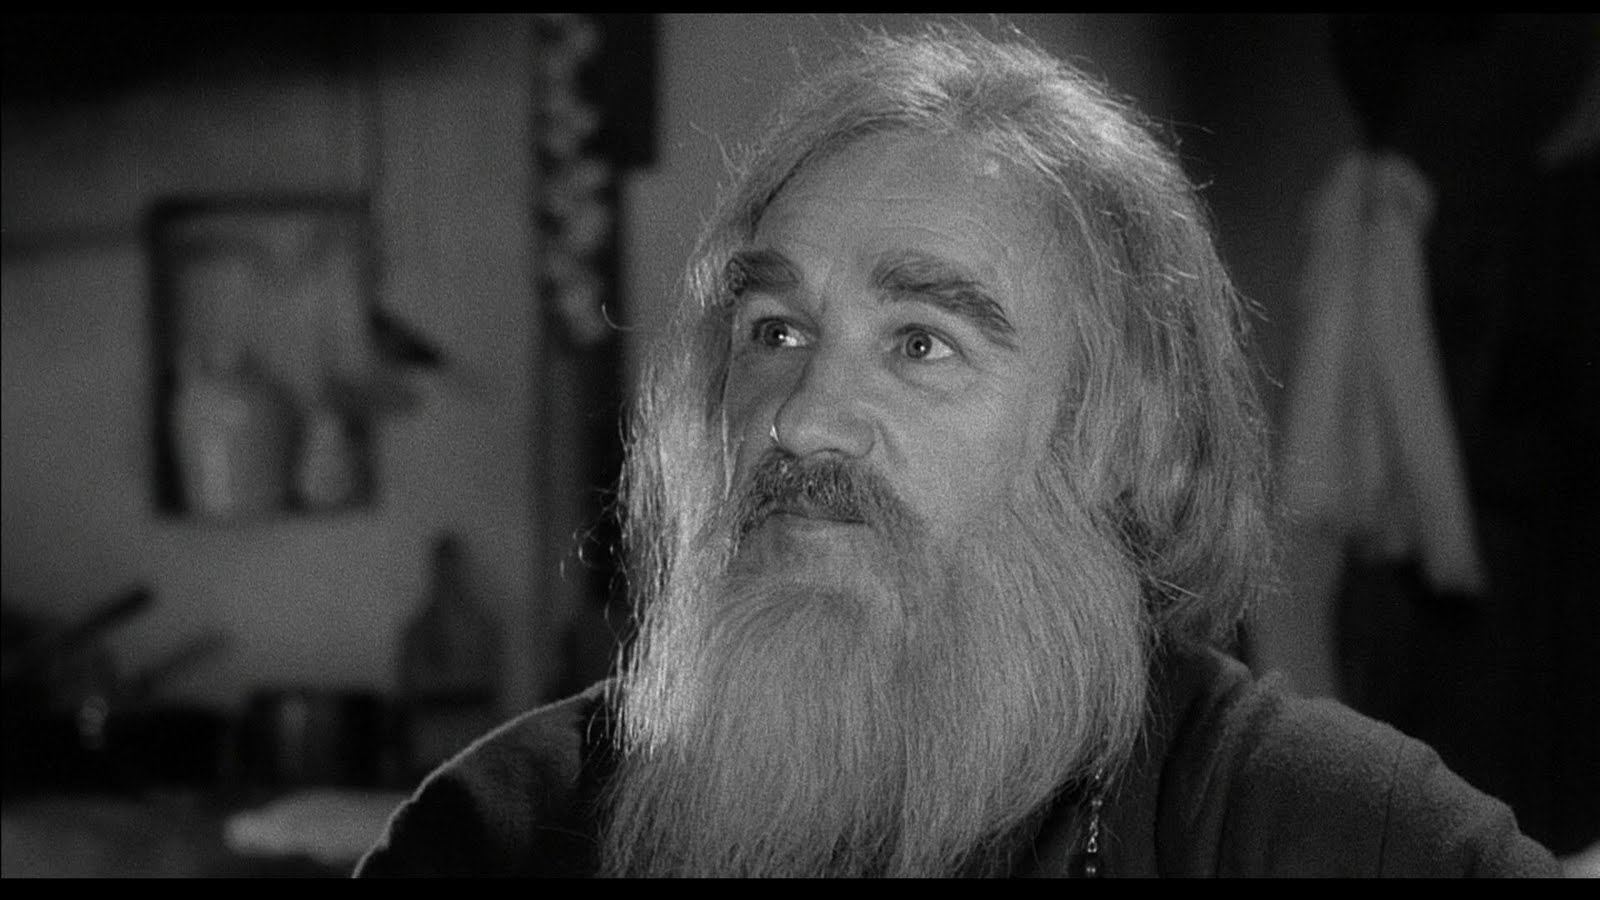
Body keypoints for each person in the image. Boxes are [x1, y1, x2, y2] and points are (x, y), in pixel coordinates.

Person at [355, 25, 1560, 877]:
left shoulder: (1332, 833)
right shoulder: (502, 832)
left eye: (921, 344)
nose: (799, 419)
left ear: (1122, 439)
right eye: (774, 330)